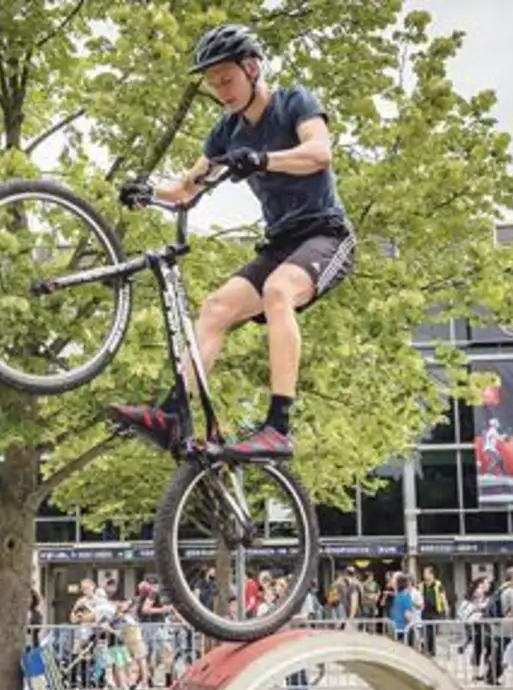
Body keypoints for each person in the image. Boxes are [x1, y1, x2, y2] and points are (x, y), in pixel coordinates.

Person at [108, 23, 355, 459]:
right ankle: (171, 415)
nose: (220, 89)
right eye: (213, 81)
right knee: (216, 308)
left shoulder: (294, 102)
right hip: (280, 244)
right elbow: (189, 188)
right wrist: (149, 191)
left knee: (279, 290)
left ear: (252, 67)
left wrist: (263, 159)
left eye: (227, 78)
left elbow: (319, 153)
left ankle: (278, 427)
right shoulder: (228, 133)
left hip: (325, 236)